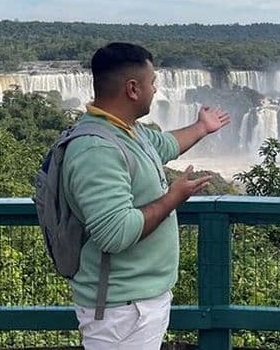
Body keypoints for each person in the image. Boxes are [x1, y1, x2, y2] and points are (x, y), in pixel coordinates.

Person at [62, 42, 230, 349]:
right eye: (152, 82)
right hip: (120, 310)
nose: (156, 89)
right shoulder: (97, 149)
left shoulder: (126, 130)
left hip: (135, 303)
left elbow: (164, 144)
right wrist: (173, 198)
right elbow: (115, 233)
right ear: (132, 89)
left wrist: (201, 127)